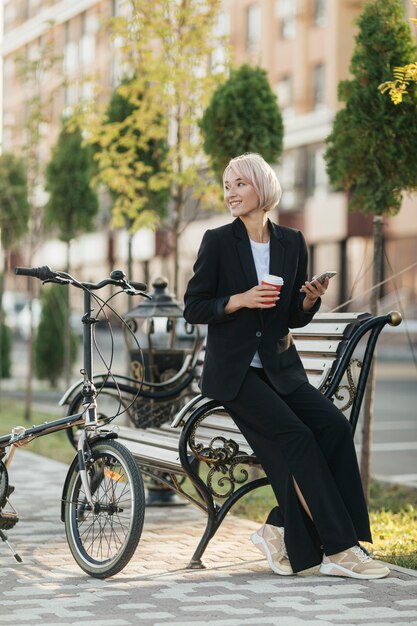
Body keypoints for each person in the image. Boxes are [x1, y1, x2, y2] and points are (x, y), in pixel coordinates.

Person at [183, 153, 389, 579]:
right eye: (227, 185)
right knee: (296, 438)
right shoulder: (218, 241)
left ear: (263, 187)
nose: (231, 193)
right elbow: (194, 306)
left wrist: (309, 299)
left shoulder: (292, 242)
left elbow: (292, 316)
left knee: (332, 426)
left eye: (240, 183)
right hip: (236, 377)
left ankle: (280, 528)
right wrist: (238, 300)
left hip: (281, 369)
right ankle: (339, 549)